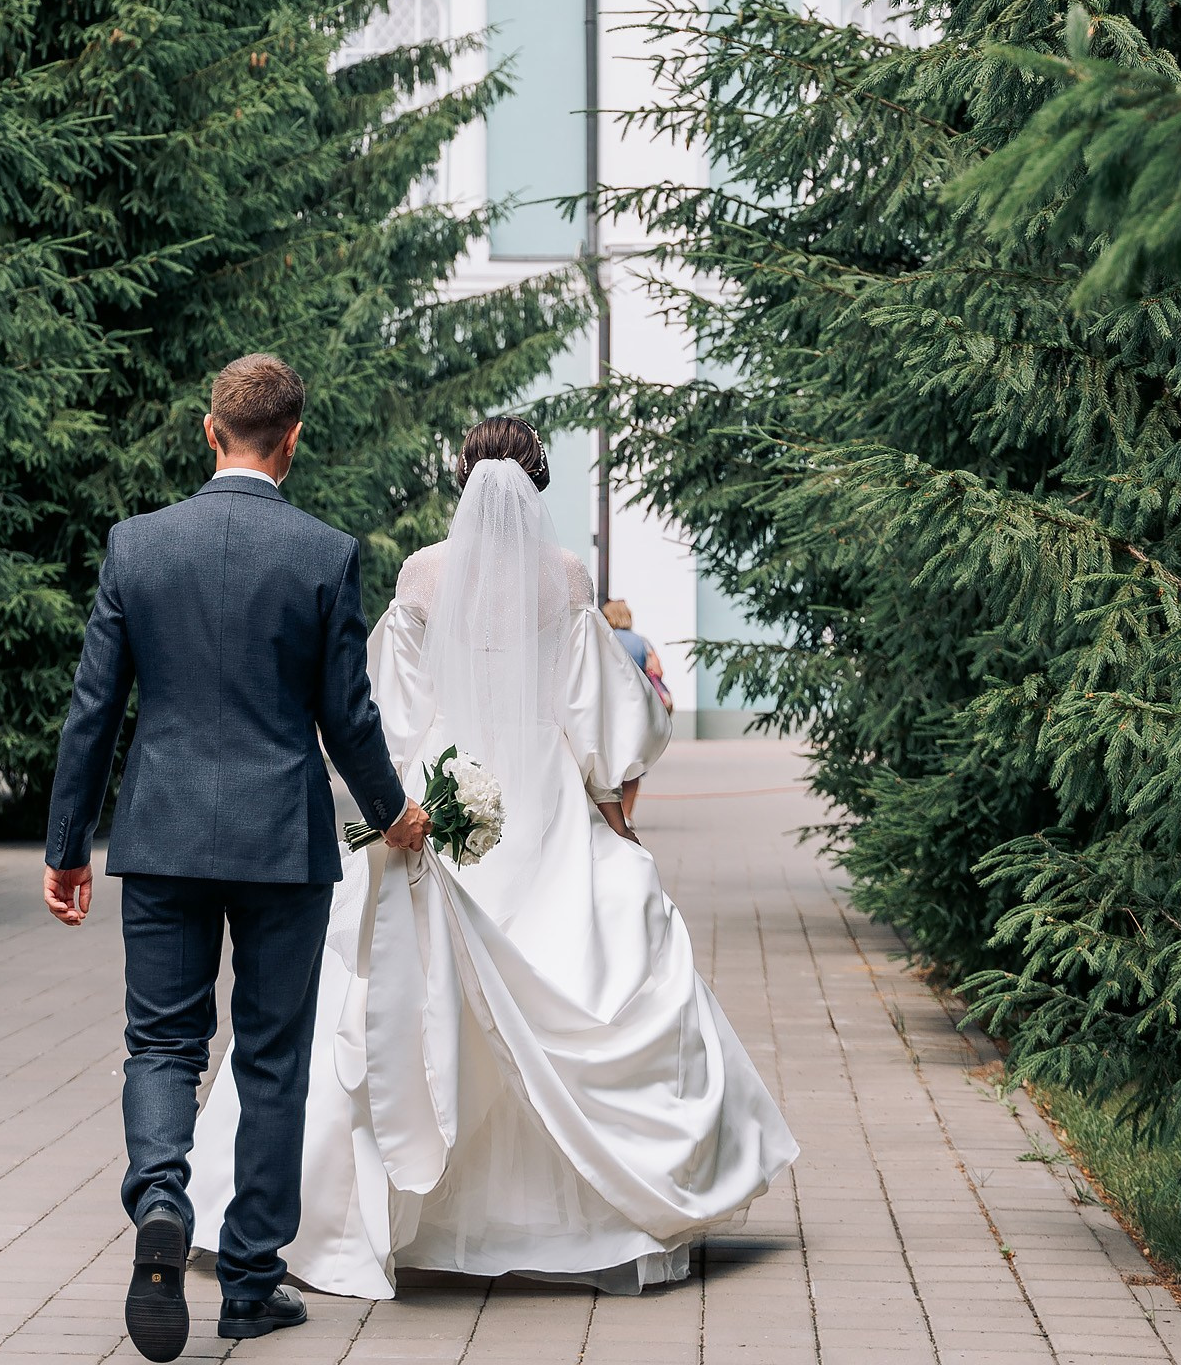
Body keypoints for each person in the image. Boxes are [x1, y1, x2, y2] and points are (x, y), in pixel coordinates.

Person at [189, 416, 798, 1296]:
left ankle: (331, 1209)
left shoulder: (424, 574)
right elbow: (607, 726)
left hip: (441, 794)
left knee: (375, 981)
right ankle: (585, 1214)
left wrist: (392, 802)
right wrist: (610, 799)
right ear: (536, 485)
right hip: (542, 802)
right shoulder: (567, 579)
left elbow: (389, 709)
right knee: (599, 939)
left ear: (464, 480)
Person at [43, 353, 430, 1363]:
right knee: (269, 1061)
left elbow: (94, 712)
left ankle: (162, 1201)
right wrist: (391, 811)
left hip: (163, 834)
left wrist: (65, 849)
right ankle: (251, 1284)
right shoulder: (323, 553)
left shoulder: (137, 546)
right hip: (278, 841)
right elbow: (344, 717)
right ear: (289, 443)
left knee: (162, 1044)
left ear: (208, 431)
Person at [600, 597, 672, 829]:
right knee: (633, 763)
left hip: (607, 709)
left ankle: (609, 817)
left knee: (608, 762)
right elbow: (657, 671)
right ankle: (627, 815)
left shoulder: (603, 639)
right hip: (636, 711)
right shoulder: (642, 642)